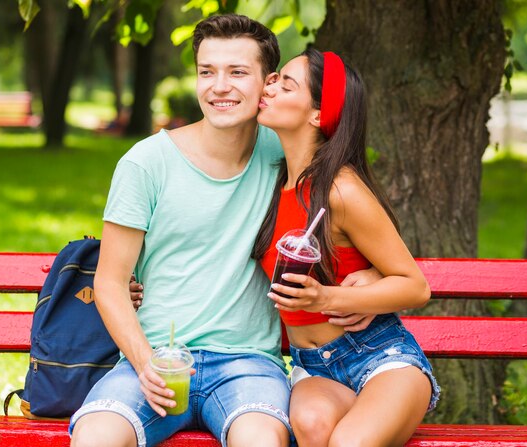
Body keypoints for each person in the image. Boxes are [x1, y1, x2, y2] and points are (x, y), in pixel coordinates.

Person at [70, 14, 380, 447]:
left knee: (260, 440)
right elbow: (109, 283)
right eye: (206, 72)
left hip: (249, 363)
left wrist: (374, 276)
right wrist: (145, 364)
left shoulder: (287, 155)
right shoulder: (145, 163)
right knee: (94, 437)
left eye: (237, 72)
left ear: (268, 83)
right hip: (156, 356)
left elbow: (355, 219)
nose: (219, 87)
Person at [252, 48, 441, 447]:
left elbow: (415, 286)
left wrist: (327, 296)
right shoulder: (271, 181)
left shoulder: (341, 189)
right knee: (311, 426)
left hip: (380, 357)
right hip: (313, 368)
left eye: (286, 84)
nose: (269, 87)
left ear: (318, 115)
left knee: (347, 443)